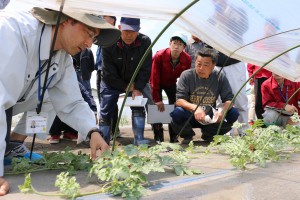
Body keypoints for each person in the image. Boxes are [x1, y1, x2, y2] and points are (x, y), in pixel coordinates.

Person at [0, 7, 120, 195]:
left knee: (50, 96)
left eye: (94, 38)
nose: (89, 44)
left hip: (11, 99)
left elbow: (71, 102)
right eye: (88, 33)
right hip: (2, 98)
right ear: (66, 20)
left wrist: (92, 131)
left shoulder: (62, 57)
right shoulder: (13, 31)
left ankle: (13, 145)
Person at [99, 17, 152, 145]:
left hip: (134, 81)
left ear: (138, 31)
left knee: (138, 104)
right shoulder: (108, 42)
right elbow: (108, 72)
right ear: (119, 28)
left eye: (133, 31)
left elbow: (145, 68)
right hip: (111, 81)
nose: (129, 35)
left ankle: (138, 138)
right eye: (126, 31)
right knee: (106, 109)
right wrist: (126, 86)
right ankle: (103, 140)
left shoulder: (145, 42)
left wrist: (137, 87)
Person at [170, 48, 239, 143]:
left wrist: (222, 111)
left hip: (210, 117)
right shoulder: (186, 75)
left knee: (233, 113)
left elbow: (229, 99)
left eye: (206, 65)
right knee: (177, 113)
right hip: (191, 116)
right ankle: (187, 136)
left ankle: (209, 134)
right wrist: (195, 108)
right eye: (198, 64)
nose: (201, 68)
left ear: (213, 65)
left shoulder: (220, 76)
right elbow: (179, 100)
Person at [150, 31, 191, 143]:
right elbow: (154, 77)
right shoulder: (159, 56)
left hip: (172, 84)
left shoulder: (187, 59)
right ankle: (158, 137)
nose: (176, 47)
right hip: (157, 82)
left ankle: (174, 136)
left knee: (175, 107)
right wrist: (157, 99)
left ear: (184, 47)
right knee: (156, 107)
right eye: (174, 43)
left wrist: (181, 96)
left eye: (180, 44)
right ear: (170, 43)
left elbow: (184, 79)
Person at [48, 58, 98, 144]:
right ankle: (55, 133)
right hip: (55, 113)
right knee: (53, 109)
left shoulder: (77, 84)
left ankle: (69, 132)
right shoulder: (49, 82)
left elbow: (87, 96)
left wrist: (94, 111)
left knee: (78, 110)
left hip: (68, 113)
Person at [94, 16, 120, 139]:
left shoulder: (115, 35)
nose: (102, 19)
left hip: (111, 73)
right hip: (100, 70)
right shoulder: (101, 33)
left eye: (105, 18)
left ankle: (115, 130)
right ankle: (105, 130)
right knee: (102, 102)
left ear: (112, 20)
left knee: (112, 102)